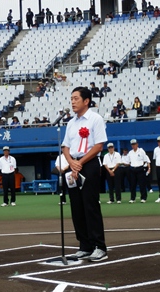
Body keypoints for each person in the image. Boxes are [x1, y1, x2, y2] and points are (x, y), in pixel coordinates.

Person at [62, 86, 108, 262]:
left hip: (89, 164)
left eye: (76, 98)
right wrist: (71, 162)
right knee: (76, 206)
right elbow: (65, 146)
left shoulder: (95, 119)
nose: (72, 101)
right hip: (74, 165)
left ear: (86, 101)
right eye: (71, 98)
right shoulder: (71, 123)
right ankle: (84, 245)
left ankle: (99, 246)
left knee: (90, 205)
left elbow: (99, 146)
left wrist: (79, 163)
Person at [127, 139, 148, 204]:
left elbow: (145, 160)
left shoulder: (141, 151)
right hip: (133, 169)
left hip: (140, 169)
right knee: (132, 185)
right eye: (132, 145)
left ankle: (143, 198)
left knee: (142, 184)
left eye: (134, 144)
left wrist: (140, 166)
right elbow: (129, 162)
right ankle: (133, 198)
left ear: (137, 144)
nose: (133, 146)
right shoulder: (130, 152)